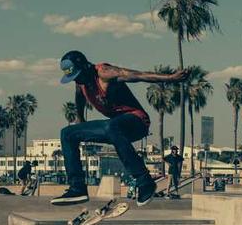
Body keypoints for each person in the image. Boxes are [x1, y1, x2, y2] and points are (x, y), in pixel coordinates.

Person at [51, 50, 187, 206]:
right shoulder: (80, 83)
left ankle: (145, 181)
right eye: (76, 78)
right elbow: (79, 98)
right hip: (115, 128)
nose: (79, 80)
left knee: (111, 126)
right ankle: (77, 188)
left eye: (80, 76)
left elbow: (138, 75)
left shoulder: (104, 72)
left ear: (86, 67)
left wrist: (170, 78)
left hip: (137, 122)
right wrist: (80, 120)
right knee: (67, 133)